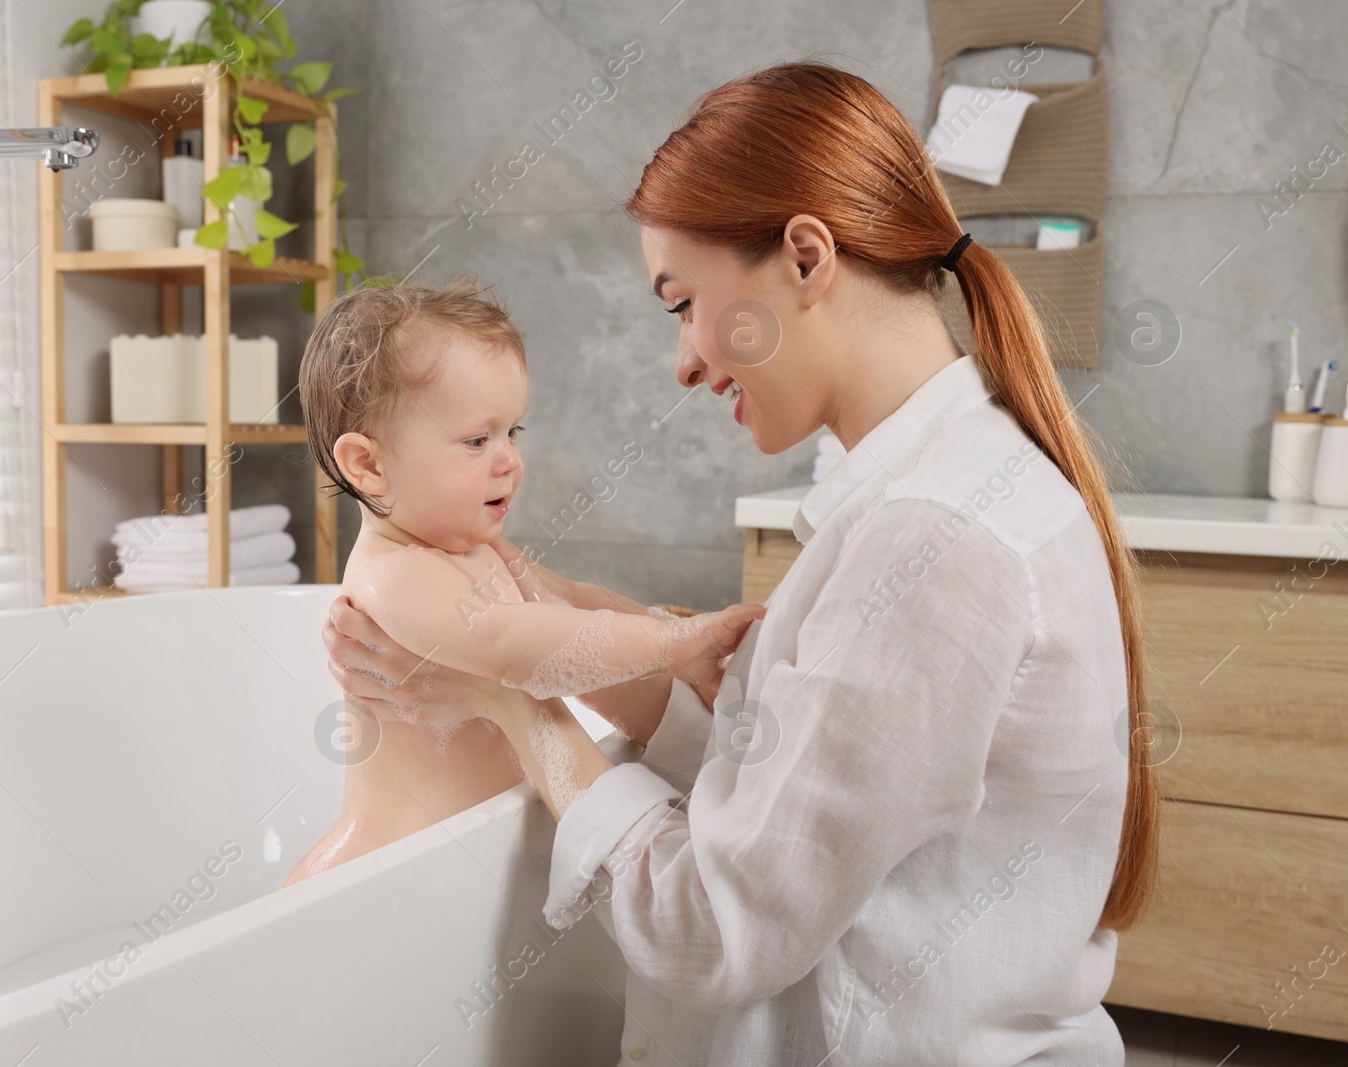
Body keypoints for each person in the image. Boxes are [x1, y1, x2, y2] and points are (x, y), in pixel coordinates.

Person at [323, 61, 1159, 1066]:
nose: (681, 358)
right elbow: (793, 798)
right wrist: (645, 665)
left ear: (806, 256)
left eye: (682, 301)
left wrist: (516, 705)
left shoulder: (932, 538)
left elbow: (711, 929)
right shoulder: (931, 488)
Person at [288, 279, 762, 886]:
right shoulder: (393, 577)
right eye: (476, 440)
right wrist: (667, 646)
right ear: (370, 466)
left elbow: (567, 602)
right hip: (387, 862)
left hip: (467, 848)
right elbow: (515, 645)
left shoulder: (476, 551)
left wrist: (669, 638)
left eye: (514, 432)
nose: (508, 458)